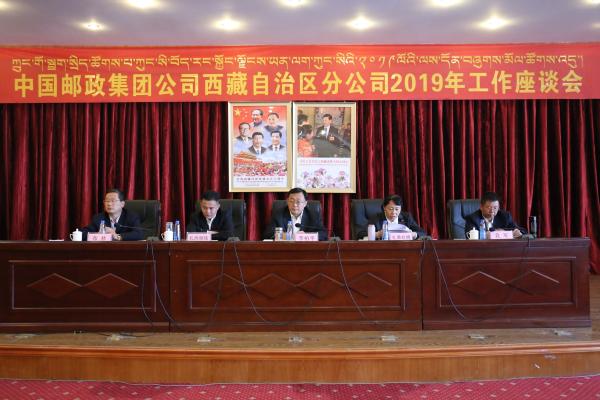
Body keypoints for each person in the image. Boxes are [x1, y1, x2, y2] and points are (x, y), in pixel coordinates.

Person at [263, 187, 328, 241]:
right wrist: (286, 236)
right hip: (285, 249)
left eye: (298, 202)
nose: (294, 205)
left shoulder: (313, 215)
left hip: (306, 249)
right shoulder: (279, 214)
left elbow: (323, 234)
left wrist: (305, 236)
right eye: (291, 201)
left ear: (305, 203)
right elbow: (268, 234)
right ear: (287, 202)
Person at [358, 195, 425, 239]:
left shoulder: (406, 217)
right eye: (390, 209)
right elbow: (360, 234)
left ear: (400, 209)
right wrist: (377, 234)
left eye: (397, 209)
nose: (394, 212)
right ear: (384, 208)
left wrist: (413, 234)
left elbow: (423, 233)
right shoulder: (376, 218)